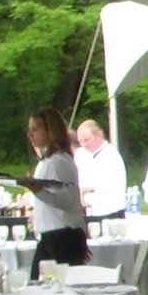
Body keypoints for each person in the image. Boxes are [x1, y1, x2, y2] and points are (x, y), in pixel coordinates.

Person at [19, 106, 88, 277]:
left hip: (62, 236)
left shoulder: (58, 161)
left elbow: (67, 200)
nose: (30, 134)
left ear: (50, 131)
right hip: (52, 235)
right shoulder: (46, 161)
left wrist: (38, 190)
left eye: (35, 129)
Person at [74, 118, 128, 222]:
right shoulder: (80, 154)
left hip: (110, 212)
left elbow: (108, 183)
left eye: (86, 140)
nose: (83, 145)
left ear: (99, 135)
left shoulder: (111, 155)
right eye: (80, 141)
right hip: (87, 211)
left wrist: (88, 188)